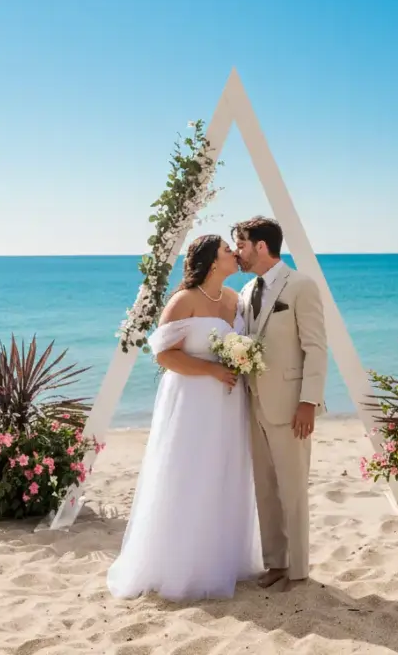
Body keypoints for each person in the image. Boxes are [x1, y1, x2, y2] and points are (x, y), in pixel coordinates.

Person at [107, 235, 262, 602]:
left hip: (228, 402)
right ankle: (180, 564)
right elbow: (164, 355)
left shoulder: (234, 300)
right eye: (228, 250)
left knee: (224, 472)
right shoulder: (183, 301)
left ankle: (220, 558)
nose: (235, 254)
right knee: (189, 473)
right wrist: (211, 371)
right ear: (212, 261)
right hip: (192, 401)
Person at [233, 216, 327, 591]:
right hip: (253, 403)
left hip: (290, 407)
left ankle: (299, 570)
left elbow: (316, 348)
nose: (237, 253)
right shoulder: (245, 292)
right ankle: (275, 563)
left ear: (260, 246)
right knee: (266, 489)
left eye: (241, 245)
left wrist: (308, 402)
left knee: (293, 489)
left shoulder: (301, 286)